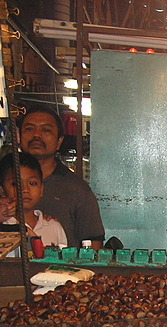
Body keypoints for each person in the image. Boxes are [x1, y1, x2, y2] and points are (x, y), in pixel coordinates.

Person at [19, 105, 105, 250]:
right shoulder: (4, 184)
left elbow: (94, 245)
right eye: (29, 129)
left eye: (46, 130)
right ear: (18, 136)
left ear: (59, 141)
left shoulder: (77, 190)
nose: (36, 135)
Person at [0, 152, 67, 254]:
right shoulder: (3, 225)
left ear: (41, 189)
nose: (25, 189)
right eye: (15, 184)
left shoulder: (53, 227)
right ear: (2, 191)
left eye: (32, 183)